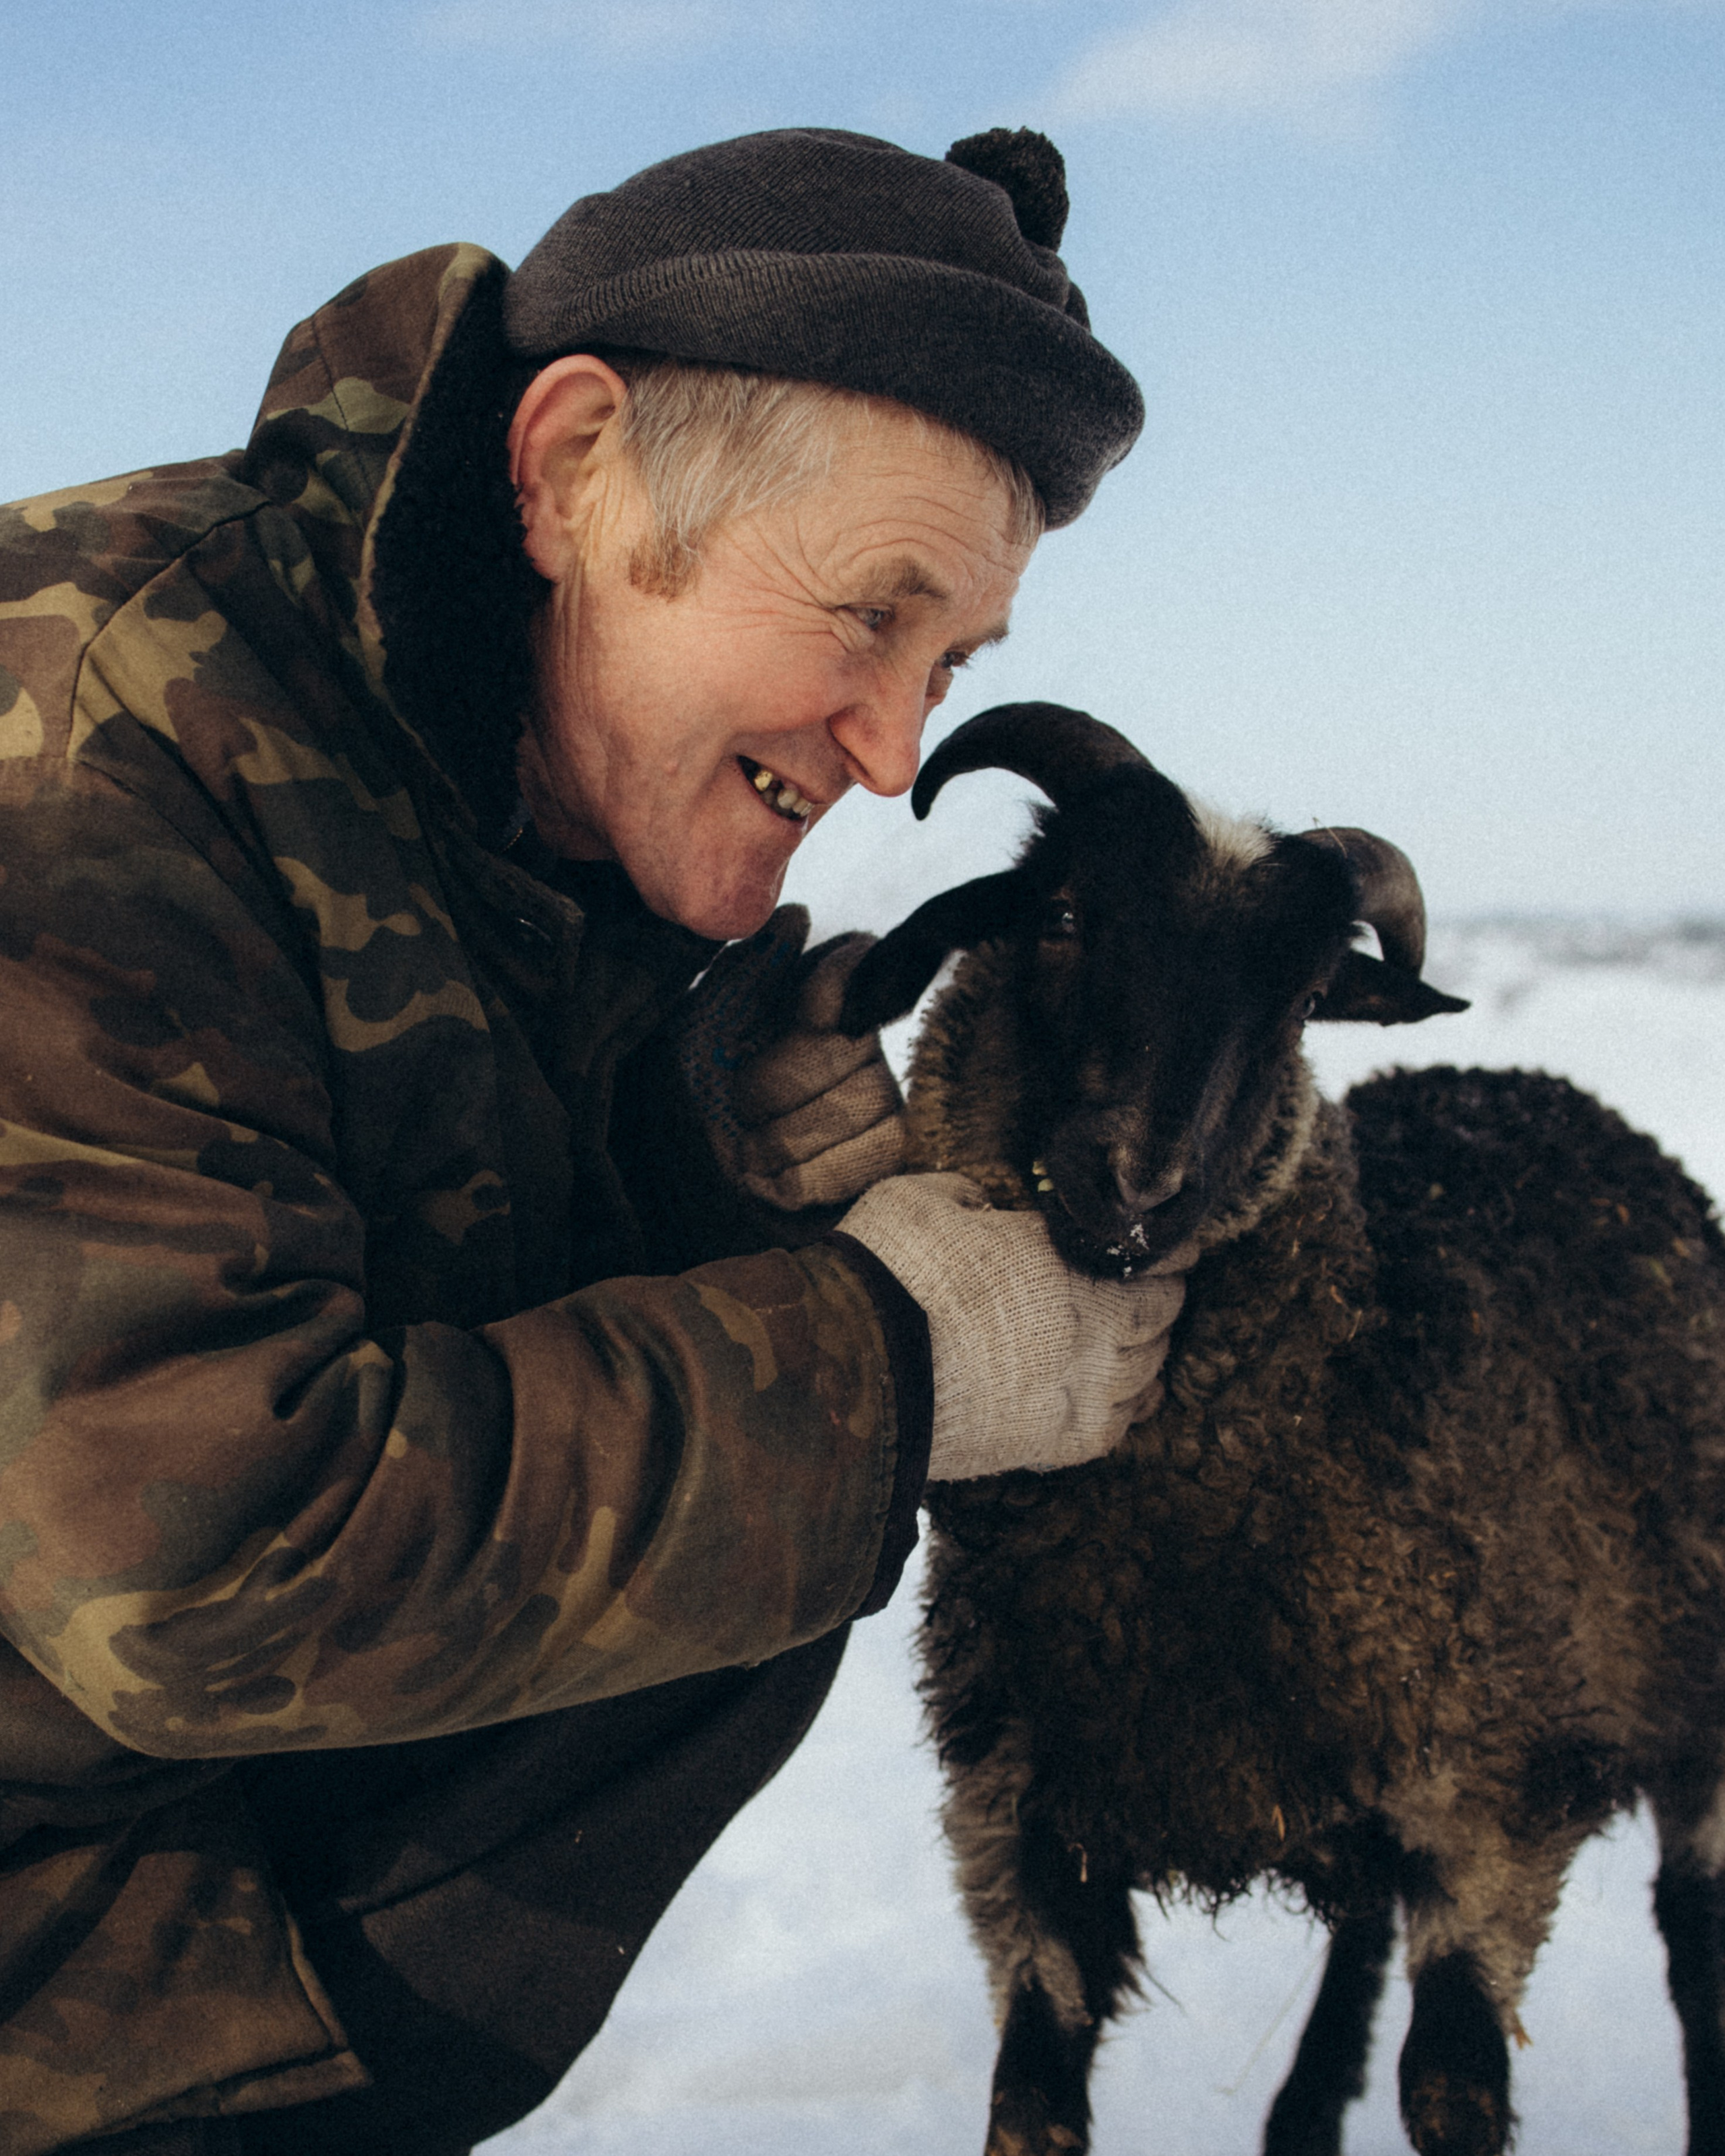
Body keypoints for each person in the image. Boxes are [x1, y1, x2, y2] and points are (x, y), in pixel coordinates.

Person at [0, 127, 1189, 2152]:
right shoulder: (93, 747)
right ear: (571, 473)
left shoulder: (522, 794)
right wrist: (888, 1357)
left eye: (956, 665)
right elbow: (203, 1571)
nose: (900, 755)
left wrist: (697, 1185)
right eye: (869, 616)